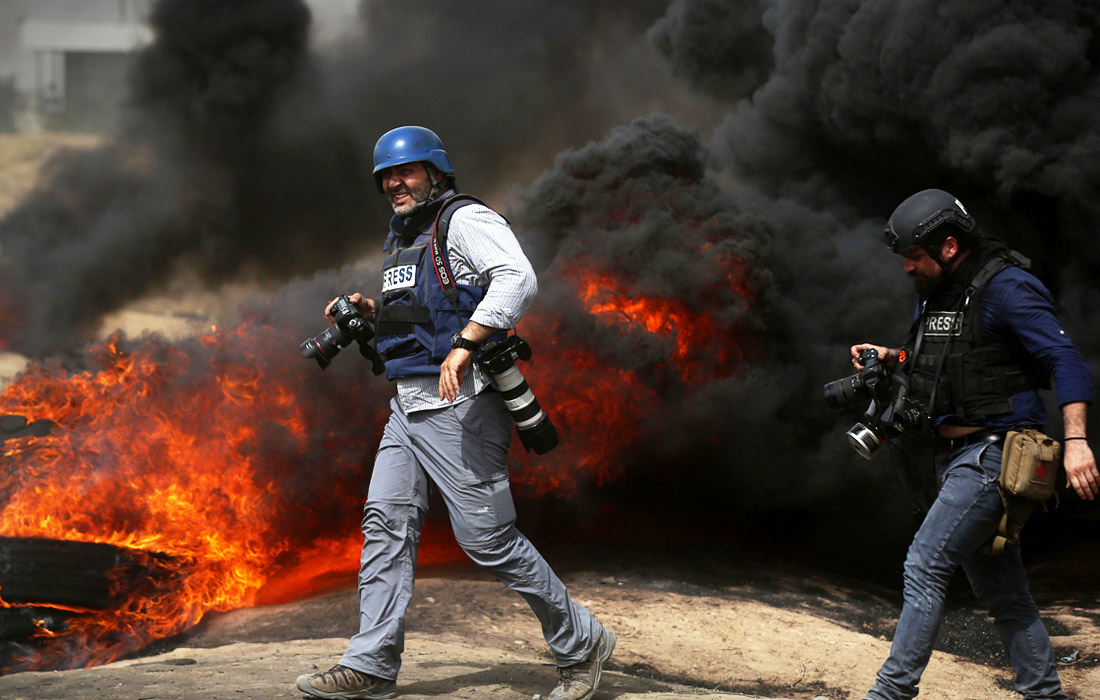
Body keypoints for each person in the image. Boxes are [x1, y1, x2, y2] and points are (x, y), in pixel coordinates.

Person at [295, 126, 615, 700]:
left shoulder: (465, 220)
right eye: (386, 176)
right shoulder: (405, 235)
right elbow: (423, 317)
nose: (395, 182)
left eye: (406, 172)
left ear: (436, 173)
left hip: (460, 405)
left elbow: (518, 278)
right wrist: (375, 310)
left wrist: (467, 343)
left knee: (488, 538)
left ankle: (581, 642)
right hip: (407, 409)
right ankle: (370, 664)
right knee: (385, 526)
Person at [849, 188, 1098, 700]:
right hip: (955, 458)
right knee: (1004, 592)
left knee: (924, 564)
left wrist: (1077, 441)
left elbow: (1066, 361)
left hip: (993, 456)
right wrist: (891, 357)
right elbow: (944, 367)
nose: (906, 268)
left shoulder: (1008, 288)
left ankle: (889, 694)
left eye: (914, 257)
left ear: (947, 246)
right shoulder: (939, 295)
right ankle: (1046, 695)